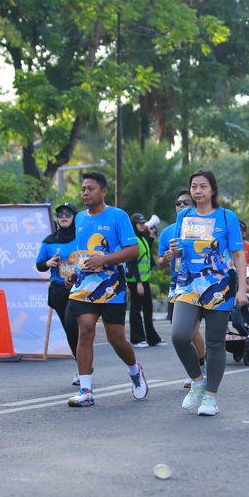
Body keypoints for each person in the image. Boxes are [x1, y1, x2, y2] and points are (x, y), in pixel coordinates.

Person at [65, 172, 148, 407]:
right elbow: (83, 252)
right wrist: (75, 273)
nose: (85, 193)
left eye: (90, 189)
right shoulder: (80, 218)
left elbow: (133, 250)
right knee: (85, 330)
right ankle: (86, 391)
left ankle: (134, 370)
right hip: (84, 284)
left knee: (116, 339)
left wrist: (105, 260)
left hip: (112, 285)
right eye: (83, 189)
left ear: (103, 191)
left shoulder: (118, 216)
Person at [170, 169, 247, 416]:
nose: (197, 191)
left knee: (215, 343)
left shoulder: (226, 217)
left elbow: (238, 254)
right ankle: (197, 380)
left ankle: (211, 396)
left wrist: (242, 289)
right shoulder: (184, 216)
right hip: (188, 284)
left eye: (203, 186)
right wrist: (173, 251)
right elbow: (178, 250)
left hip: (219, 285)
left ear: (212, 189)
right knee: (179, 335)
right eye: (194, 186)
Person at [158, 190, 205, 388]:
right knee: (181, 334)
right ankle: (196, 371)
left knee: (192, 332)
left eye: (186, 202)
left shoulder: (203, 227)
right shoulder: (168, 232)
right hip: (177, 285)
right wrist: (165, 258)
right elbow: (161, 261)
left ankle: (200, 369)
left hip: (200, 284)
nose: (182, 206)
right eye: (178, 203)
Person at [36, 203, 80, 385]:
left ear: (75, 217)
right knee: (70, 329)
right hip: (59, 290)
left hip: (80, 288)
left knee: (74, 325)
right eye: (60, 214)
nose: (64, 217)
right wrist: (48, 263)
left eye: (68, 213)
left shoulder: (82, 237)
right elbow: (39, 264)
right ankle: (82, 366)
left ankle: (84, 365)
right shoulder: (49, 241)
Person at [126, 212, 164, 348]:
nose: (142, 225)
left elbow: (146, 250)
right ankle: (137, 339)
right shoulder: (132, 240)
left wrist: (152, 237)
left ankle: (152, 338)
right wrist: (138, 283)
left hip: (144, 279)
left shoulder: (141, 238)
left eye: (143, 223)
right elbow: (133, 262)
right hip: (135, 281)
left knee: (148, 309)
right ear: (134, 225)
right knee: (136, 309)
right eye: (140, 223)